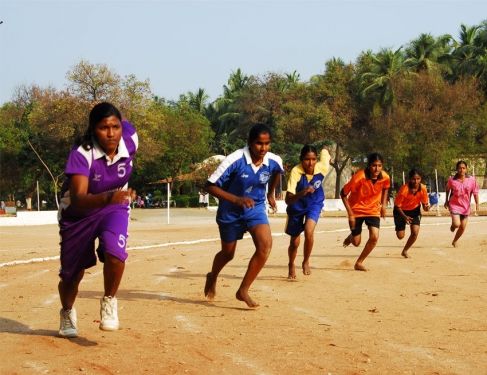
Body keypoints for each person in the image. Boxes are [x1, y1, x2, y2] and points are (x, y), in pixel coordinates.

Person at [57, 102, 138, 338]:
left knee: (116, 253)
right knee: (72, 274)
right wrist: (109, 195)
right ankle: (67, 311)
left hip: (114, 207)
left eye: (115, 126)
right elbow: (79, 199)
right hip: (78, 214)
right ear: (93, 129)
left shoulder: (130, 139)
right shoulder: (82, 153)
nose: (111, 133)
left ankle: (109, 301)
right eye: (104, 127)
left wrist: (114, 199)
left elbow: (125, 124)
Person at [204, 123, 283, 308]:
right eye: (258, 143)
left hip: (255, 209)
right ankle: (213, 275)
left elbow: (277, 172)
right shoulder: (235, 160)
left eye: (267, 143)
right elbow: (209, 185)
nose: (263, 148)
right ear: (249, 142)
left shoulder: (273, 160)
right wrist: (237, 200)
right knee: (228, 254)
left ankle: (243, 290)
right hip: (230, 211)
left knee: (265, 245)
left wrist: (271, 193)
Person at [285, 145, 330, 279]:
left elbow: (325, 154)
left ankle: (305, 261)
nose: (310, 163)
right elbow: (288, 199)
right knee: (294, 242)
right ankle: (291, 263)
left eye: (313, 159)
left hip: (314, 203)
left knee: (309, 231)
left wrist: (325, 149)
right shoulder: (295, 172)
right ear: (301, 159)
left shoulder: (322, 167)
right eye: (306, 159)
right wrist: (303, 192)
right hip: (296, 205)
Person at [340, 153, 390, 271]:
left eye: (379, 166)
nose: (377, 169)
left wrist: (383, 205)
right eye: (374, 165)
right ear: (369, 165)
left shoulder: (385, 177)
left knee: (374, 237)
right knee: (356, 242)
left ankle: (359, 262)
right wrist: (350, 214)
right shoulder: (359, 177)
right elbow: (343, 194)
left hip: (373, 210)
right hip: (356, 210)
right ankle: (352, 236)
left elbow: (386, 187)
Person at [393, 169, 430, 258]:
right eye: (413, 179)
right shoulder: (404, 189)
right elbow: (397, 206)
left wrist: (426, 207)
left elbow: (424, 205)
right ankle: (400, 228)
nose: (416, 181)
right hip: (400, 211)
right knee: (400, 236)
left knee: (415, 232)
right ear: (409, 179)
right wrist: (405, 217)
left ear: (421, 179)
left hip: (414, 211)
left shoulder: (423, 188)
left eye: (418, 179)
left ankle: (405, 251)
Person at [444, 160, 479, 247]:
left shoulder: (471, 180)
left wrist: (477, 204)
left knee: (462, 227)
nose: (461, 170)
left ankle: (455, 241)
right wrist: (446, 200)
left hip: (465, 206)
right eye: (459, 168)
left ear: (466, 169)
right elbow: (448, 189)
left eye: (463, 168)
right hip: (454, 205)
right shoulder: (452, 180)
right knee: (457, 224)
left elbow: (475, 192)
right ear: (457, 169)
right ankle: (453, 225)